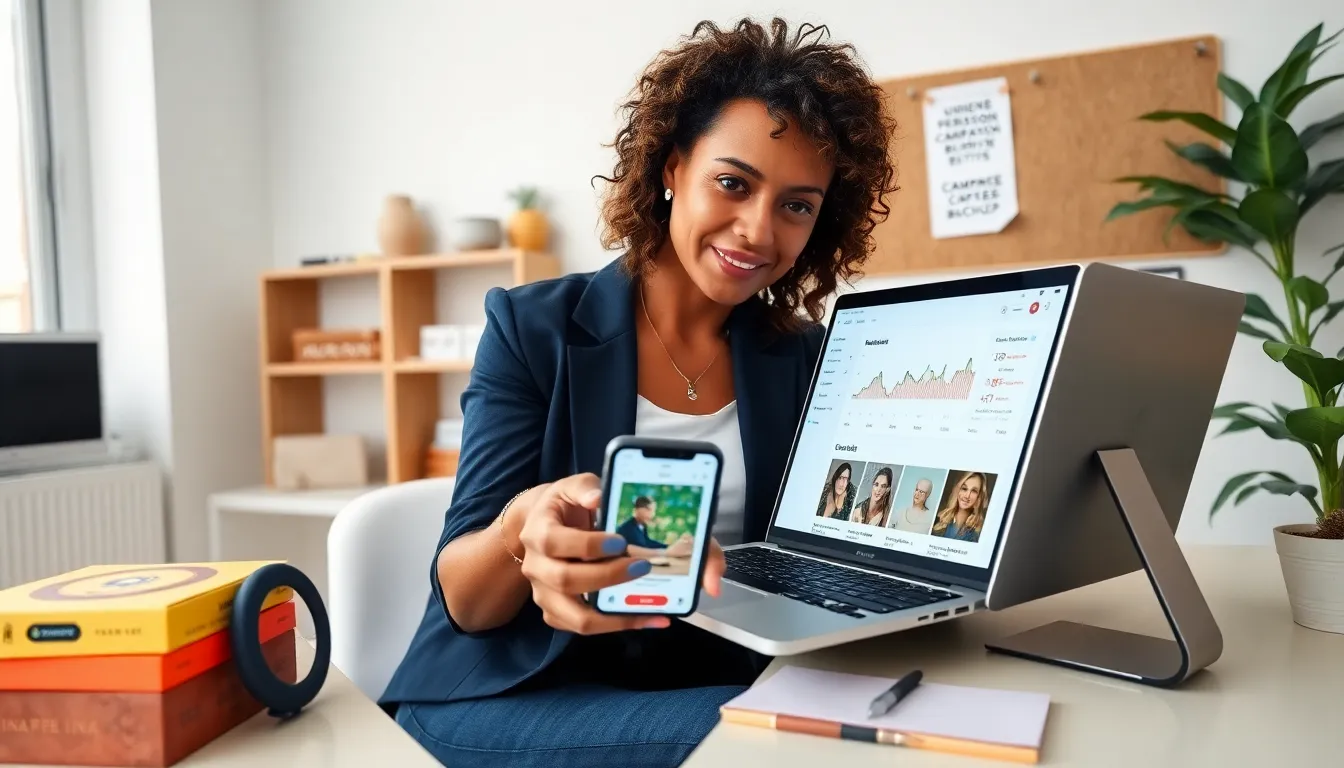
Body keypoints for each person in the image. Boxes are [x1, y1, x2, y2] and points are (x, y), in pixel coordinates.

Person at [379, 16, 898, 768]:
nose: (757, 229)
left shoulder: (804, 359)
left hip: (711, 673)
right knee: (770, 744)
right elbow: (464, 598)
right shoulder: (533, 329)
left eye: (796, 204)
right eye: (732, 183)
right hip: (517, 691)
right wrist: (518, 531)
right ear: (670, 167)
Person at [615, 496, 694, 557]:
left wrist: (670, 547)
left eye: (653, 511)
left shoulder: (641, 526)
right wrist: (667, 552)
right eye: (650, 510)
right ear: (638, 510)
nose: (653, 514)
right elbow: (632, 548)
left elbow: (648, 542)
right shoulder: (628, 528)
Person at [930, 471, 988, 542]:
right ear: (958, 490)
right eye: (964, 488)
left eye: (974, 491)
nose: (967, 496)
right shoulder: (938, 520)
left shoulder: (980, 533)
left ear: (979, 497)